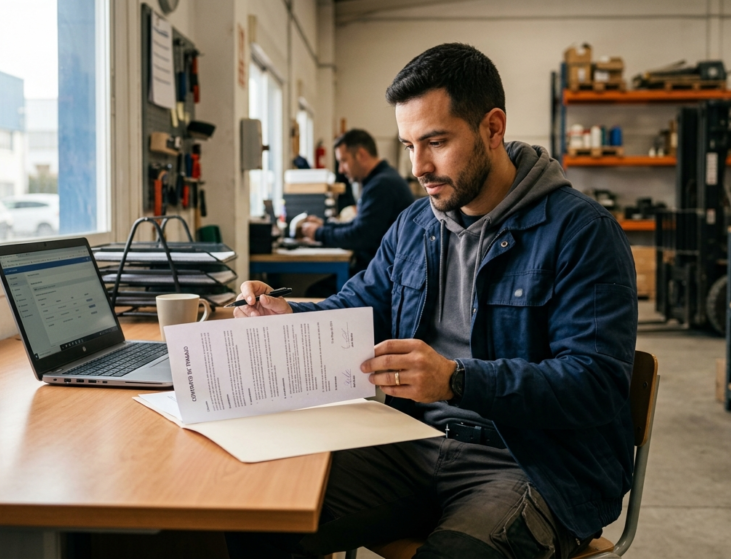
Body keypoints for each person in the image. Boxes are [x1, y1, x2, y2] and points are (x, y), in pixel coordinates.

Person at [227, 43, 637, 559]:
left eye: (436, 142)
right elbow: (361, 307)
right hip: (410, 443)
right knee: (253, 516)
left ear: (492, 128)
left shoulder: (582, 233)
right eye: (408, 144)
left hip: (530, 464)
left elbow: (595, 385)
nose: (419, 166)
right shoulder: (416, 226)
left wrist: (456, 379)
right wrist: (289, 313)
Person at [296, 129, 415, 275]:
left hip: (382, 275)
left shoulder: (381, 185)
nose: (341, 170)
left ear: (361, 155)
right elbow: (359, 224)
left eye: (343, 161)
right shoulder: (381, 179)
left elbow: (359, 236)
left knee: (313, 291)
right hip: (379, 268)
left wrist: (318, 233)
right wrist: (324, 225)